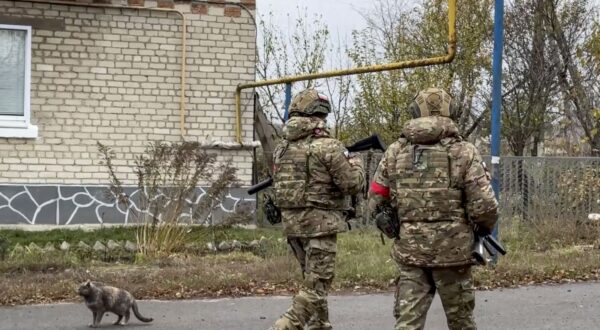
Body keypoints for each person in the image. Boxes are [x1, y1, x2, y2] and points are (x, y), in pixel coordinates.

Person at [368, 88, 498, 330]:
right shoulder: (465, 151)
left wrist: (395, 229)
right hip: (454, 253)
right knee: (462, 323)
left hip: (410, 251)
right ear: (450, 111)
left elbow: (376, 197)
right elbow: (485, 205)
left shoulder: (395, 151)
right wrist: (480, 229)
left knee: (407, 323)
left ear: (416, 112)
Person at [269, 89, 365, 330]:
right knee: (318, 284)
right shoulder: (328, 147)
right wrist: (357, 164)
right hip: (320, 225)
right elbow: (352, 184)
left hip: (293, 226)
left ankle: (319, 325)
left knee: (312, 282)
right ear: (321, 114)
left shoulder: (281, 149)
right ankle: (286, 325)